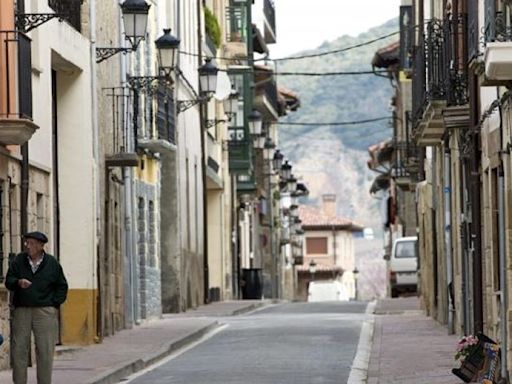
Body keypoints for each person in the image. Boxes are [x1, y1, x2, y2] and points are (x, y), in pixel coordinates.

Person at [5, 231, 68, 384]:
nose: (28, 246)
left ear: (41, 246)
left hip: (45, 311)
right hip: (22, 310)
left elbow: (62, 286)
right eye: (27, 243)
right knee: (19, 350)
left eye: (31, 243)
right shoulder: (19, 260)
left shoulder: (52, 263)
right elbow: (8, 280)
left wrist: (53, 304)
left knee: (45, 352)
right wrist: (18, 282)